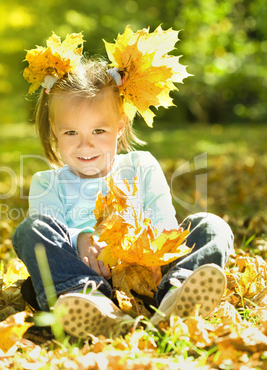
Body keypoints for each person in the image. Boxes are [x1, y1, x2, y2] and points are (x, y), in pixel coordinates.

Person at [12, 28, 234, 339]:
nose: (85, 145)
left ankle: (177, 295)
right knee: (29, 231)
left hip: (150, 274)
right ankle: (90, 304)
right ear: (54, 131)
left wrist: (148, 253)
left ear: (119, 127)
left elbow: (163, 220)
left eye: (98, 132)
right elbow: (50, 230)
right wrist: (80, 240)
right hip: (86, 275)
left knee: (211, 226)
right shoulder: (47, 182)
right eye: (71, 133)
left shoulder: (141, 165)